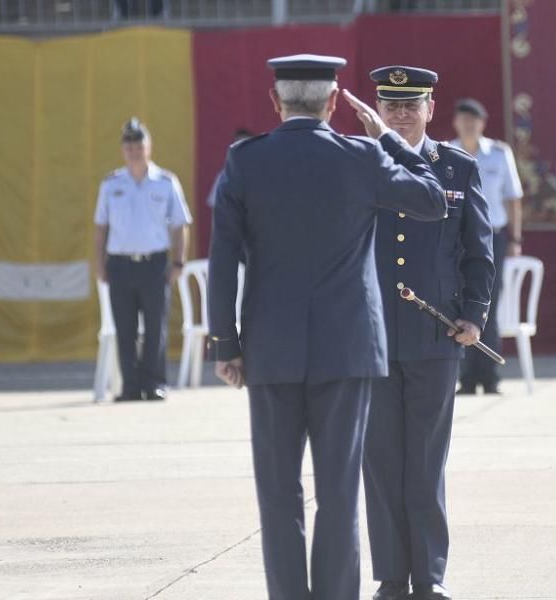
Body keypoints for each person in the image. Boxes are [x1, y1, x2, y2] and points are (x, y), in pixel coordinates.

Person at [207, 54, 447, 600]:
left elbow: (222, 257)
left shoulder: (246, 160)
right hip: (349, 349)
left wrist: (227, 341)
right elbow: (432, 200)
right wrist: (386, 136)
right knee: (339, 492)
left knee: (278, 493)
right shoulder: (361, 155)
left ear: (276, 101)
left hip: (270, 349)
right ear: (335, 102)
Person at [363, 68, 493, 600]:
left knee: (426, 460)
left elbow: (479, 253)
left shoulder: (457, 168)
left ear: (430, 108)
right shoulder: (360, 162)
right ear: (377, 106)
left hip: (435, 335)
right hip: (369, 336)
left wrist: (474, 315)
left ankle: (429, 578)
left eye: (410, 104)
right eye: (390, 105)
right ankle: (392, 577)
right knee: (381, 460)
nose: (400, 114)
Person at [93, 118, 192, 402]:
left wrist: (178, 262)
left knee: (155, 327)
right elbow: (101, 227)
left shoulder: (166, 182)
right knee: (125, 328)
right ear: (123, 150)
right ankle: (130, 387)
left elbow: (179, 224)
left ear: (149, 148)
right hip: (120, 264)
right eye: (129, 146)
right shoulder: (112, 184)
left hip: (154, 264)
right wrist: (99, 264)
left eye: (139, 146)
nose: (135, 151)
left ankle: (155, 383)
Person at [452, 97, 524, 395]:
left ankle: (490, 376)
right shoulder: (445, 152)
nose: (469, 125)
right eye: (464, 120)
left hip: (492, 236)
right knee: (459, 304)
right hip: (455, 239)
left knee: (487, 306)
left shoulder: (498, 153)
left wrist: (516, 238)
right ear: (456, 123)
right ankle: (466, 378)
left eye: (474, 120)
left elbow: (513, 197)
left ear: (482, 123)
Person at [206, 128, 255, 210]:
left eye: (246, 145)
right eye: (238, 145)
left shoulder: (262, 175)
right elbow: (216, 207)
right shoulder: (224, 176)